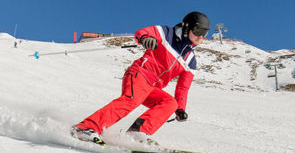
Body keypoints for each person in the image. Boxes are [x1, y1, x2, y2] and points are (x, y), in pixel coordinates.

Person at [71, 11, 210, 145]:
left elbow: (183, 88)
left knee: (170, 103)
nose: (201, 37)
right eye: (198, 31)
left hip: (153, 87)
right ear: (187, 28)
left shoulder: (190, 59)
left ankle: (137, 133)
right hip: (140, 74)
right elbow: (142, 32)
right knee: (131, 100)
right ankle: (85, 128)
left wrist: (180, 109)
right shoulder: (167, 33)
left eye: (204, 33)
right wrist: (146, 38)